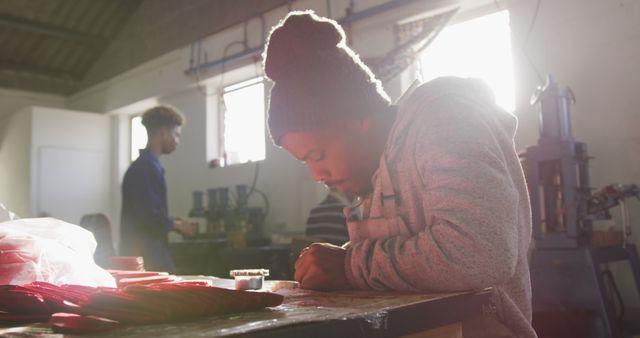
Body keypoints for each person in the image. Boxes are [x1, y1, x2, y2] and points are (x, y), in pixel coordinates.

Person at [263, 11, 535, 337]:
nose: (316, 175)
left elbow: (479, 252)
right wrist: (343, 260)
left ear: (357, 118)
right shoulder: (375, 175)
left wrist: (349, 266)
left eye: (317, 155)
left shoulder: (443, 119)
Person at [120, 106, 195, 273]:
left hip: (146, 255)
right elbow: (149, 218)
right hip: (148, 258)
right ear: (163, 133)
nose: (177, 141)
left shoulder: (145, 166)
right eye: (176, 135)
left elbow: (148, 211)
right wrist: (178, 226)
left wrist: (175, 222)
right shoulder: (147, 168)